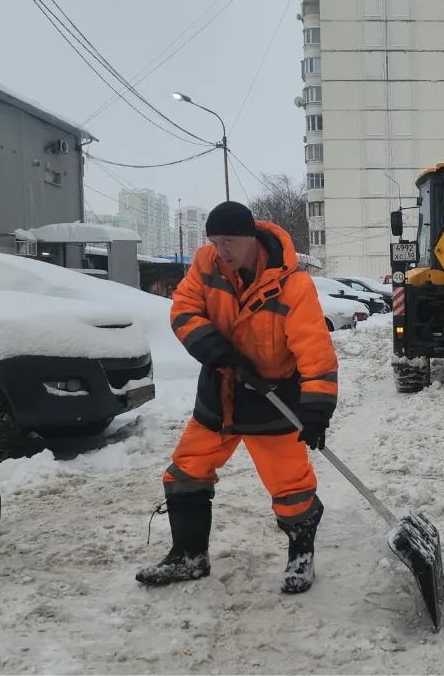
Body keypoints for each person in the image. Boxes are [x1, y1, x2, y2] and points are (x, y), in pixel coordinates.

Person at [137, 201, 338, 594]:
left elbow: (315, 350)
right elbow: (184, 309)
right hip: (221, 391)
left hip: (272, 397)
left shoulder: (293, 284)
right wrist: (217, 351)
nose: (221, 249)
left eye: (229, 240)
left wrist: (316, 409)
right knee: (186, 472)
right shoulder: (207, 265)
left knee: (291, 488)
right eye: (214, 241)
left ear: (251, 238)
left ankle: (301, 557)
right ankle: (188, 556)